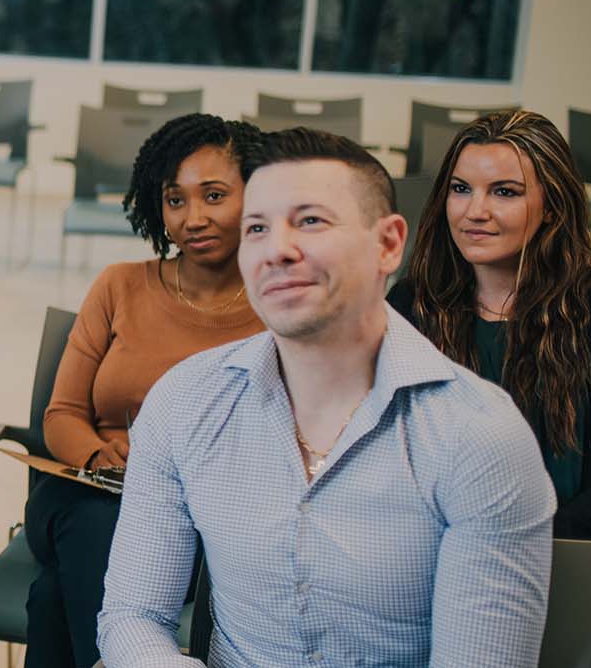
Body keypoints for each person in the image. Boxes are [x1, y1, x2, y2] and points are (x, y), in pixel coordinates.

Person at [98, 128, 557, 666]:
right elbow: (132, 616)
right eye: (257, 228)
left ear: (387, 244)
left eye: (310, 220)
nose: (278, 250)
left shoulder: (480, 438)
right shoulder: (185, 401)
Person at [28, 114, 265, 668]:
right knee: (95, 526)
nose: (194, 217)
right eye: (175, 200)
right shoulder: (119, 285)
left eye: (213, 195)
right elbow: (61, 414)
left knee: (50, 597)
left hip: (204, 516)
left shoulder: (276, 305)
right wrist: (99, 455)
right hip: (92, 490)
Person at [388, 109, 591, 663]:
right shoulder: (409, 308)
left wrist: (527, 537)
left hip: (579, 567)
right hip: (430, 573)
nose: (476, 211)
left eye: (506, 192)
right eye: (461, 189)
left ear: (552, 205)